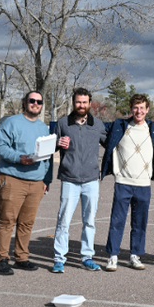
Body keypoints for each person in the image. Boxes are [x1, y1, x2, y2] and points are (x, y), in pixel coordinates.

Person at [0, 90, 54, 275]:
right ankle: (2, 259)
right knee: (7, 220)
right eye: (32, 100)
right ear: (25, 102)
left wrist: (46, 179)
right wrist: (19, 158)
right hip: (12, 179)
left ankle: (21, 257)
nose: (35, 104)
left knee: (27, 222)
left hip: (36, 182)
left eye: (39, 102)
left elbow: (48, 156)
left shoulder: (43, 128)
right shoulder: (12, 122)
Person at [101, 93, 154, 271]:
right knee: (117, 220)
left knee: (139, 223)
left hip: (144, 183)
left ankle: (135, 255)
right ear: (131, 109)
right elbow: (95, 127)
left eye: (142, 108)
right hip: (123, 182)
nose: (139, 111)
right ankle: (113, 256)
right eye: (135, 107)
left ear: (147, 109)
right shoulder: (119, 125)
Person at [52, 87, 109, 272]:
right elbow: (49, 146)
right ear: (73, 102)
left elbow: (110, 144)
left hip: (91, 180)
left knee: (89, 221)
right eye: (78, 102)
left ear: (90, 103)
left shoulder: (97, 125)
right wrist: (56, 143)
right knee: (63, 220)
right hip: (69, 179)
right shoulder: (62, 123)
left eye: (85, 102)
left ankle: (87, 257)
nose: (81, 105)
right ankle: (59, 259)